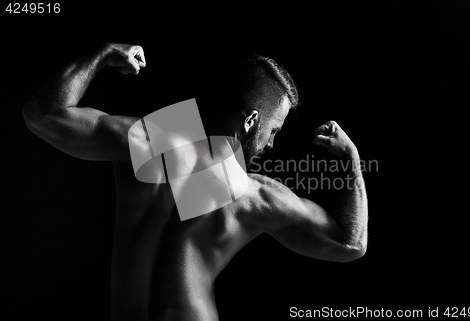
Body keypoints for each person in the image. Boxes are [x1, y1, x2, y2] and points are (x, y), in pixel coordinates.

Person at [22, 43, 368, 321]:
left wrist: (103, 52)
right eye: (273, 130)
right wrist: (351, 157)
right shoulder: (252, 194)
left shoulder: (147, 143)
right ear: (251, 121)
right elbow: (351, 245)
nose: (272, 143)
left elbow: (43, 113)